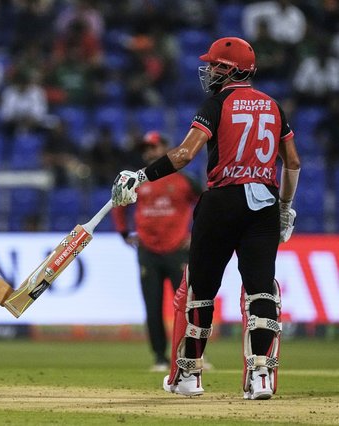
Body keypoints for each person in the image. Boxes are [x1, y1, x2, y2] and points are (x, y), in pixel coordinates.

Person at [112, 37, 300, 400]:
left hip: (223, 201)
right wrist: (284, 207)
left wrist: (140, 175)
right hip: (264, 204)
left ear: (230, 69)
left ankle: (188, 376)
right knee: (261, 288)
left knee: (200, 289)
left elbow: (183, 155)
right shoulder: (274, 105)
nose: (210, 70)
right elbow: (291, 162)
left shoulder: (217, 103)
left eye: (216, 65)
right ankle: (260, 376)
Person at [111, 131, 202, 372]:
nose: (150, 152)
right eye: (147, 148)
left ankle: (190, 355)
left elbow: (206, 205)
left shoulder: (185, 180)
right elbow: (119, 204)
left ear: (165, 147)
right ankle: (160, 358)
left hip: (177, 251)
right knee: (152, 307)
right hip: (148, 251)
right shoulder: (137, 180)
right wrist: (123, 233)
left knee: (186, 307)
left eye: (154, 147)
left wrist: (197, 236)